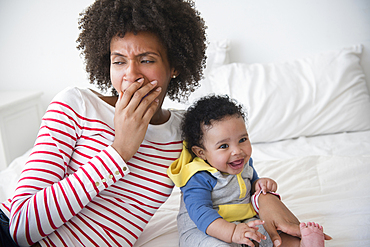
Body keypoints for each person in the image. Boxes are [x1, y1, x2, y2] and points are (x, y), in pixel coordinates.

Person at [0, 0, 317, 246]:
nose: (131, 75)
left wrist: (266, 199)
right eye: (119, 61)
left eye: (147, 60)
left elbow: (232, 163)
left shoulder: (185, 134)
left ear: (175, 66)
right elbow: (23, 228)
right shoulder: (76, 105)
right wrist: (119, 151)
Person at [168, 95, 326, 247]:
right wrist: (232, 232)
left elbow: (252, 185)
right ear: (201, 153)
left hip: (243, 223)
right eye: (224, 146)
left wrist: (260, 184)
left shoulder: (243, 164)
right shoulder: (199, 176)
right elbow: (200, 213)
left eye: (242, 140)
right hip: (205, 230)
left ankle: (301, 244)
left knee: (273, 234)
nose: (237, 151)